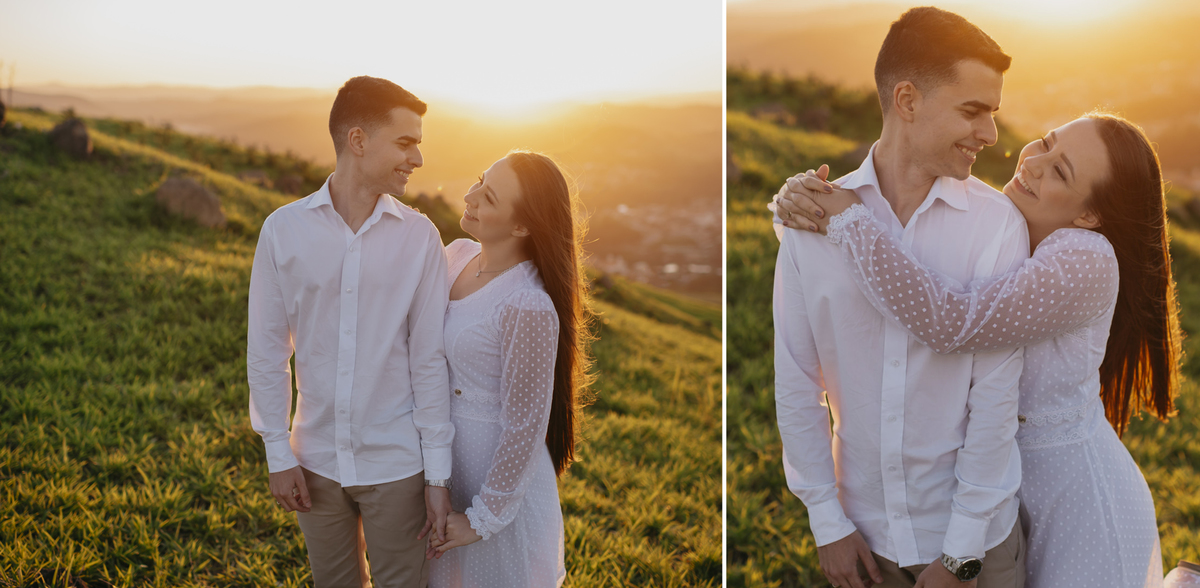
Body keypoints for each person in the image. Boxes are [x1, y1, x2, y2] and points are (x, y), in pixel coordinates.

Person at [775, 112, 1180, 588]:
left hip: (1079, 507)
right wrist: (797, 201)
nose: (1034, 162)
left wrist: (846, 219)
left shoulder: (1084, 257)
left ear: (1089, 215)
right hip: (1008, 496)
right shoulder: (1016, 224)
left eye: (1061, 170)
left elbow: (951, 322)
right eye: (1046, 142)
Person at [772, 7, 1028, 588]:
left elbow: (994, 404)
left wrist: (961, 555)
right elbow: (796, 381)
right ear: (908, 101)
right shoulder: (810, 218)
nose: (990, 134)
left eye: (993, 113)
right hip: (862, 542)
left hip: (978, 546)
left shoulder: (998, 227)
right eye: (973, 111)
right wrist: (826, 522)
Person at [247, 76, 454, 587]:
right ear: (359, 140)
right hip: (313, 459)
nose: (418, 160)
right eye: (406, 143)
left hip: (397, 464)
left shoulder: (421, 237)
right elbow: (268, 352)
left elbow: (428, 359)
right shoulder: (283, 230)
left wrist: (437, 475)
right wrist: (278, 452)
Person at [426, 150, 591, 588]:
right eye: (480, 180)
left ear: (521, 226)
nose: (470, 195)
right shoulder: (457, 255)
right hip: (443, 464)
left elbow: (525, 425)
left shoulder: (526, 303)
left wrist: (484, 518)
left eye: (489, 197)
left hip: (494, 485)